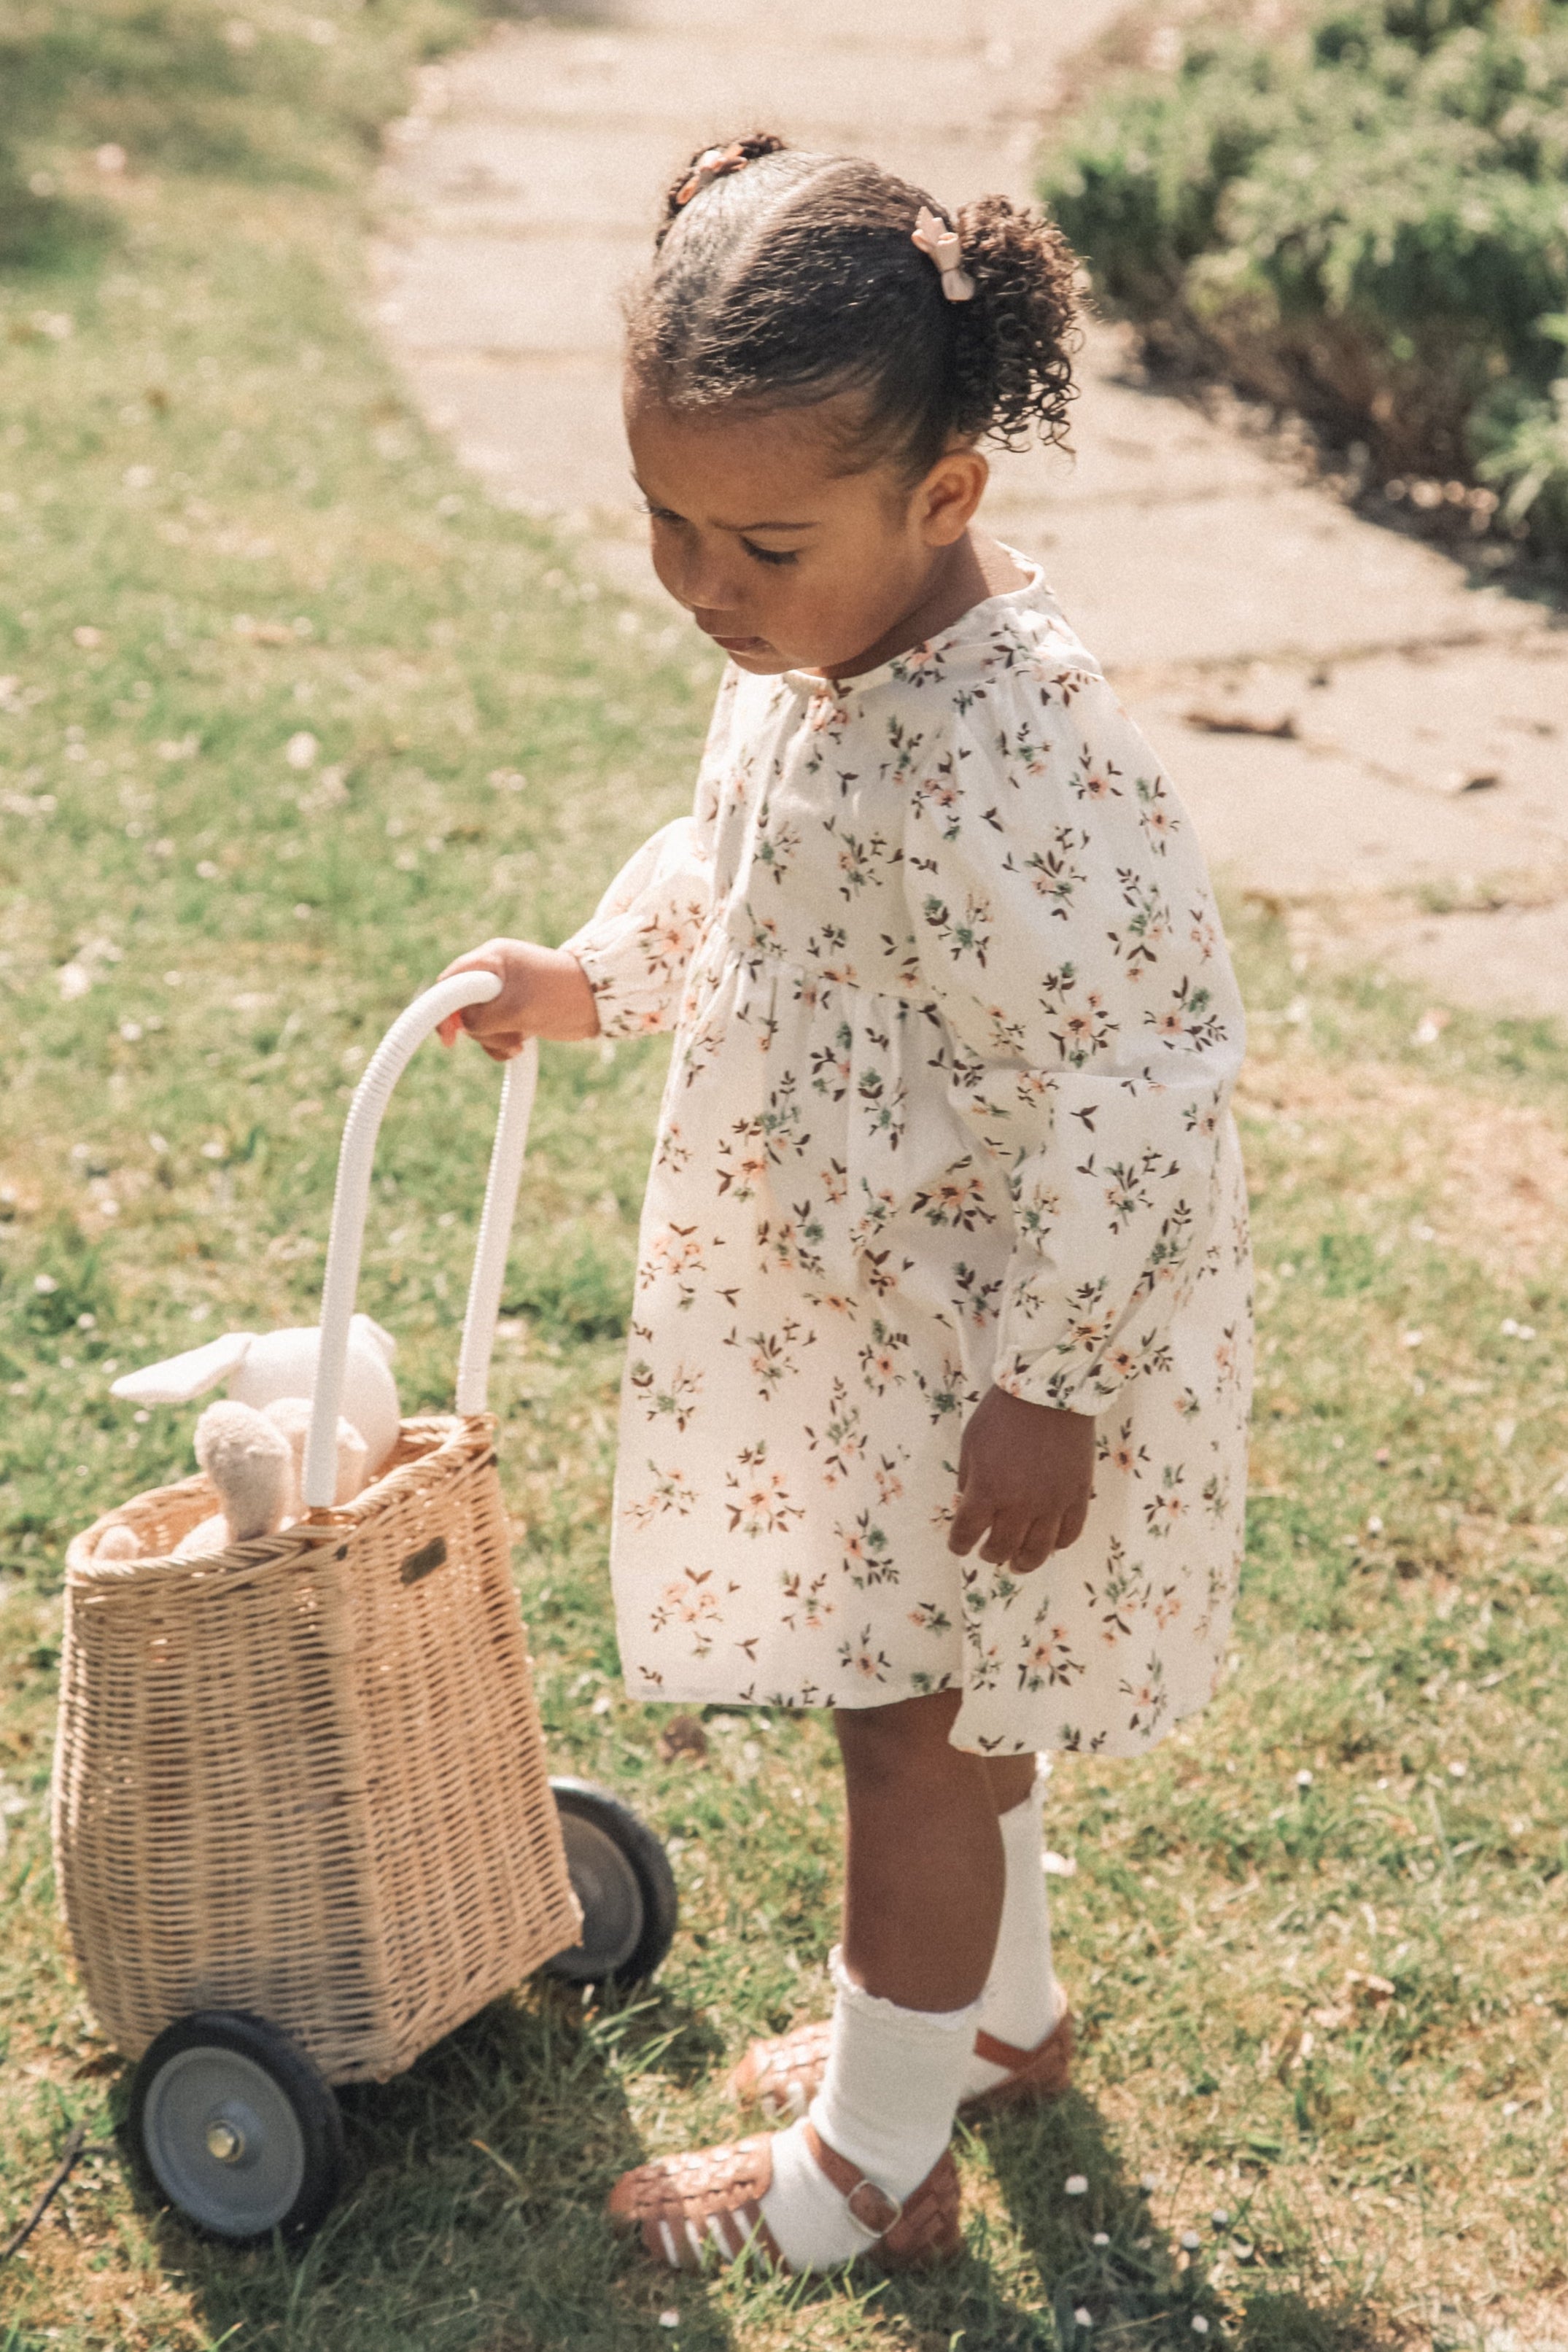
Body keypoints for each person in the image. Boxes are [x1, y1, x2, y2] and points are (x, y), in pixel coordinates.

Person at [435, 133, 1253, 2277]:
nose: (706, 581)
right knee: (945, 1698)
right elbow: (739, 862)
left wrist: (1053, 1381)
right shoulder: (823, 650)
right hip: (870, 1308)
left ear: (947, 497)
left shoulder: (1025, 737)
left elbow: (1141, 1069)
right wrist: (590, 977)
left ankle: (879, 2157)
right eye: (665, 522)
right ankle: (998, 2016)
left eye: (760, 539)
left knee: (903, 1721)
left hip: (997, 1331)